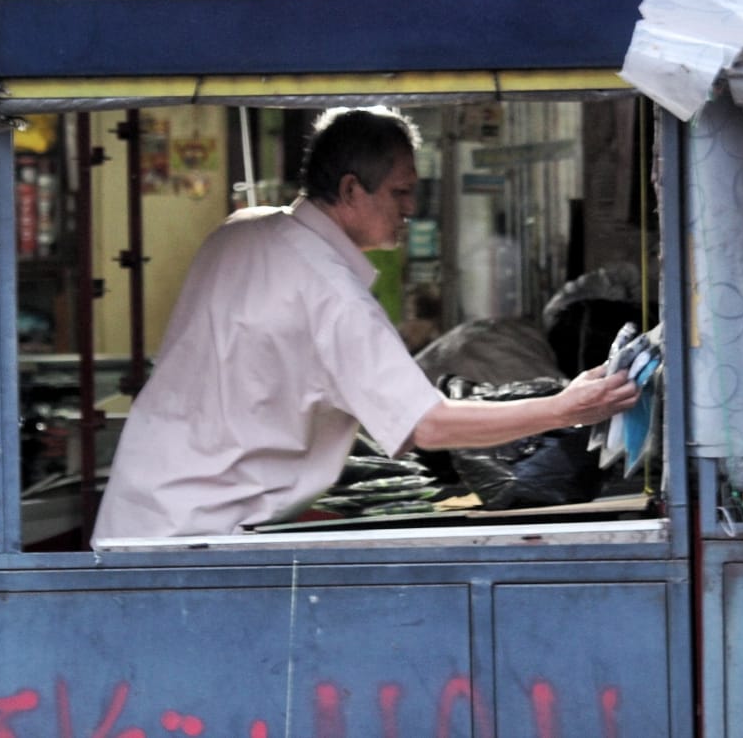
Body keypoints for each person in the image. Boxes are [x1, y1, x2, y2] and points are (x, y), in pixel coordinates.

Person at [91, 106, 639, 542]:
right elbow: (428, 426)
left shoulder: (241, 232)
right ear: (351, 190)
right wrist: (567, 406)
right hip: (200, 538)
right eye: (400, 191)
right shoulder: (330, 293)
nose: (411, 208)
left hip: (138, 516)